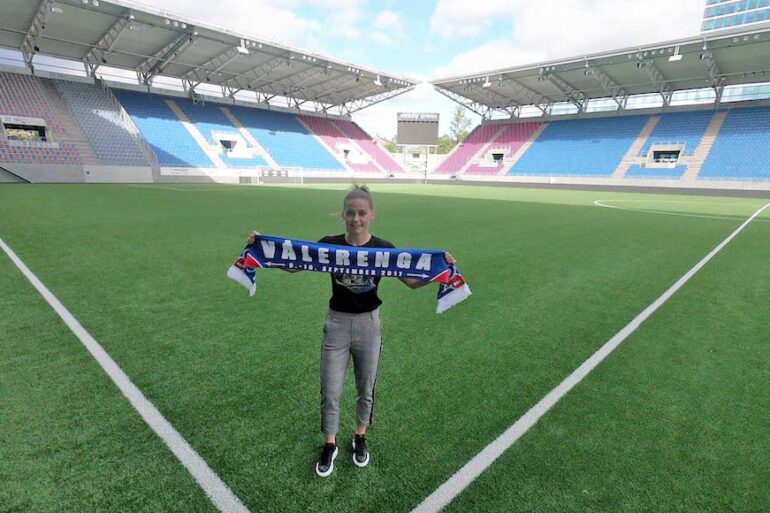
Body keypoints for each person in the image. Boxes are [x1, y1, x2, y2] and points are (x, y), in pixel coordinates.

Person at [248, 185, 455, 477]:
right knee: (330, 389)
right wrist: (261, 247)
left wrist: (440, 271)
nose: (356, 218)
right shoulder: (329, 245)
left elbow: (410, 281)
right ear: (342, 214)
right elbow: (294, 264)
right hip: (337, 323)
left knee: (365, 387)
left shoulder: (383, 248)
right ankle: (330, 442)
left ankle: (360, 436)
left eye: (361, 213)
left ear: (371, 214)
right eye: (350, 212)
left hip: (370, 324)